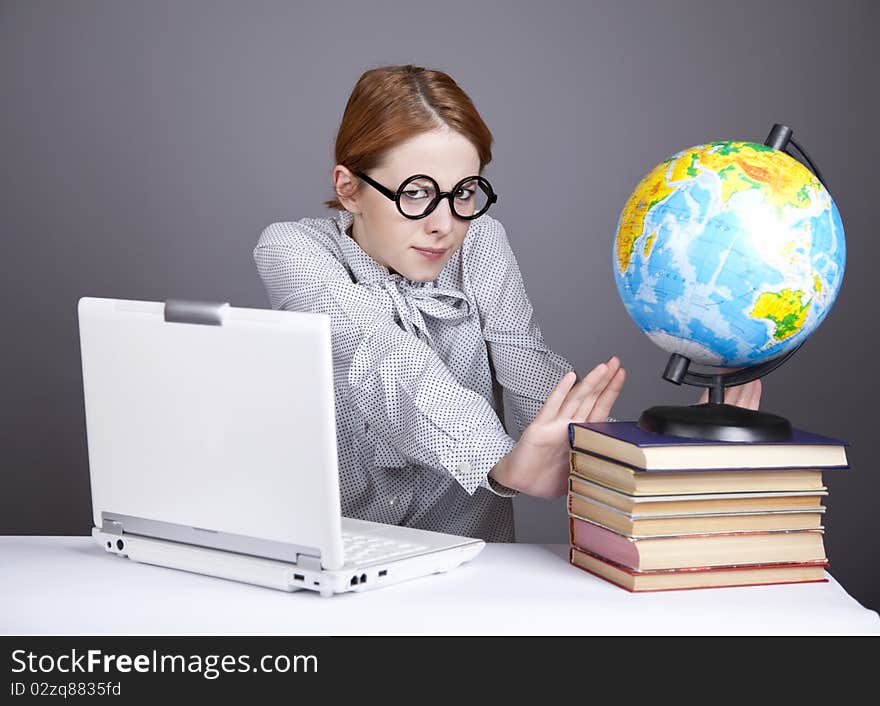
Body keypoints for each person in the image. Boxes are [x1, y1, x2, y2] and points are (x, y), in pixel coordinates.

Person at [253, 64, 761, 542]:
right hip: (339, 563)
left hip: (473, 574)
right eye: (416, 194)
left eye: (465, 193)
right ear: (349, 189)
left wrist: (665, 452)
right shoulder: (292, 251)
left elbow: (530, 373)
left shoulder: (481, 243)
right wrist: (501, 461)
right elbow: (383, 356)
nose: (444, 224)